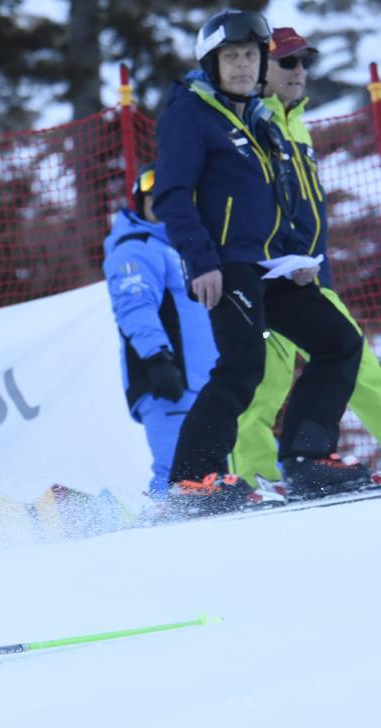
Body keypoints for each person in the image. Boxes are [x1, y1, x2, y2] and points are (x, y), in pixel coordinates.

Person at [153, 9, 371, 515]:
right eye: (231, 57)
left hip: (271, 266)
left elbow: (277, 199)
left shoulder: (256, 116)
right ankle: (193, 480)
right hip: (225, 264)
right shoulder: (191, 112)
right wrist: (201, 260)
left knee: (340, 343)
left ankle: (307, 459)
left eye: (250, 55)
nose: (242, 66)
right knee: (243, 366)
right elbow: (172, 194)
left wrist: (296, 255)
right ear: (211, 62)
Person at [231, 26, 381, 490]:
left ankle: (270, 476)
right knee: (265, 387)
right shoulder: (256, 121)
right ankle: (257, 480)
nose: (299, 71)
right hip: (271, 277)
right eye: (287, 62)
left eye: (304, 62)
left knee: (359, 368)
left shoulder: (296, 122)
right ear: (261, 71)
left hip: (311, 275)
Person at [103, 163, 219, 500]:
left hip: (204, 384)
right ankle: (158, 528)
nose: (164, 208)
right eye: (155, 200)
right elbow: (134, 307)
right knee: (179, 473)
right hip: (169, 380)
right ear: (141, 203)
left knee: (205, 478)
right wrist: (158, 359)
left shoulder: (187, 250)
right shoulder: (136, 247)